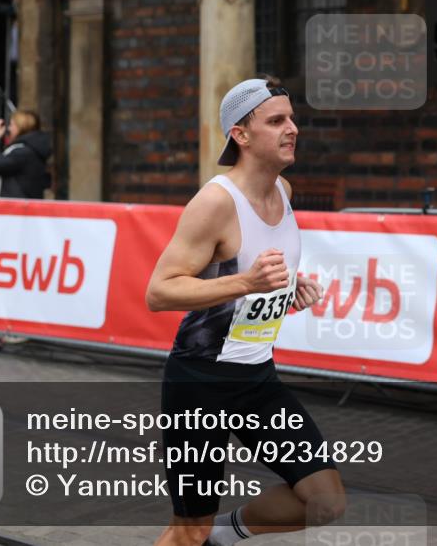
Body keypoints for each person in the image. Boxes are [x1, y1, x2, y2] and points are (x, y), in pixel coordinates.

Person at [145, 78, 346, 546]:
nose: (292, 128)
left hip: (257, 379)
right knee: (187, 530)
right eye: (276, 121)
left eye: (292, 118)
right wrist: (247, 284)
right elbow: (159, 291)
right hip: (200, 382)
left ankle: (222, 535)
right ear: (241, 135)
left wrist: (288, 289)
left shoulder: (284, 191)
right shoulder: (216, 201)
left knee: (325, 501)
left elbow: (250, 275)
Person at [0, 109, 51, 199]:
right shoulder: (30, 150)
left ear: (21, 127)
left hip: (15, 205)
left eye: (12, 125)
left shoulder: (22, 153)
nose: (9, 129)